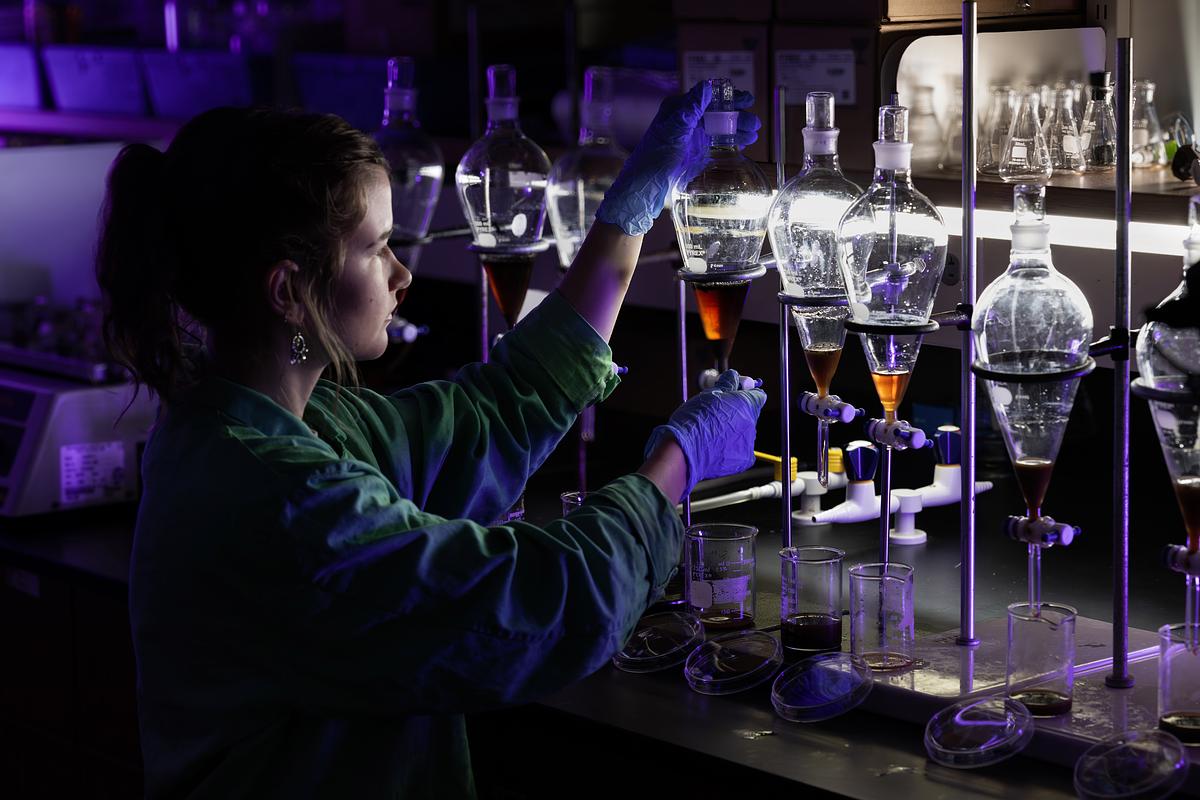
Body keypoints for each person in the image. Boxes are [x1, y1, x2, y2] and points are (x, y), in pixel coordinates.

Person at [96, 82, 765, 799]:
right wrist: (677, 462)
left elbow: (489, 414)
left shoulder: (269, 420)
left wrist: (628, 217)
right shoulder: (275, 494)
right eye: (376, 248)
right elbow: (538, 601)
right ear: (288, 291)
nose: (402, 274)